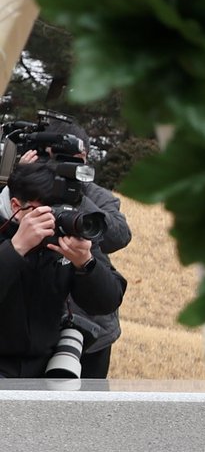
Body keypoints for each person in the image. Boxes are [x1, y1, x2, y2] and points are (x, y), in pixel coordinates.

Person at [8, 123, 132, 378]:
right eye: (61, 160)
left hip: (79, 338)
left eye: (78, 161)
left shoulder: (93, 201)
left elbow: (119, 238)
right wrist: (17, 247)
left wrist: (74, 199)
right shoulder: (15, 209)